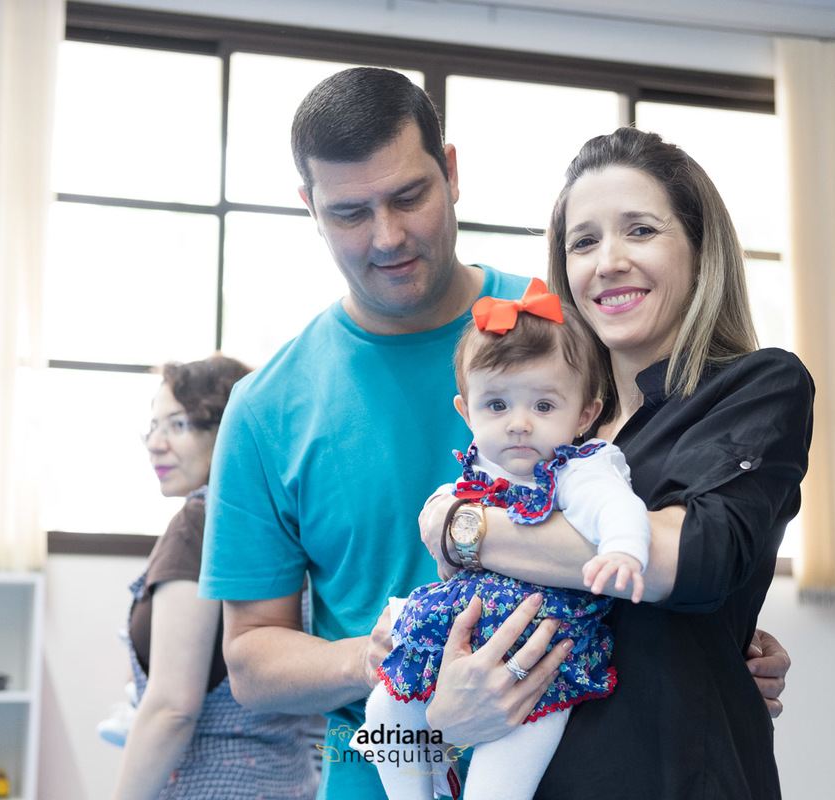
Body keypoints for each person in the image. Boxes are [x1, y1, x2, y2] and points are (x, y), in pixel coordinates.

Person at [199, 67, 793, 799]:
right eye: (350, 212)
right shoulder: (266, 407)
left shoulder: (566, 327)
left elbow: (686, 526)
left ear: (450, 173)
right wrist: (409, 671)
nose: (387, 236)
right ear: (310, 209)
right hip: (386, 751)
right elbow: (251, 662)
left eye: (409, 196)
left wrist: (711, 649)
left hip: (583, 750)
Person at [418, 126, 814, 798]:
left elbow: (696, 558)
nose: (608, 261)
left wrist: (468, 532)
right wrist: (443, 710)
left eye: (640, 231)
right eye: (584, 241)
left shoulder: (756, 386)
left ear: (698, 248)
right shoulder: (553, 426)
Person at [358, 278, 650, 800]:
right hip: (461, 637)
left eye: (543, 406)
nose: (518, 424)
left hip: (540, 659)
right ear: (465, 412)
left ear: (585, 414)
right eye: (496, 405)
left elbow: (615, 507)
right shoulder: (471, 477)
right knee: (383, 711)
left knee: (496, 789)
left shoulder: (577, 470)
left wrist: (623, 549)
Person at [112, 355, 317, 800]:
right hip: (287, 780)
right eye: (153, 426)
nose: (156, 444)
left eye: (179, 425)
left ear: (230, 430)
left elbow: (173, 710)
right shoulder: (284, 521)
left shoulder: (200, 522)